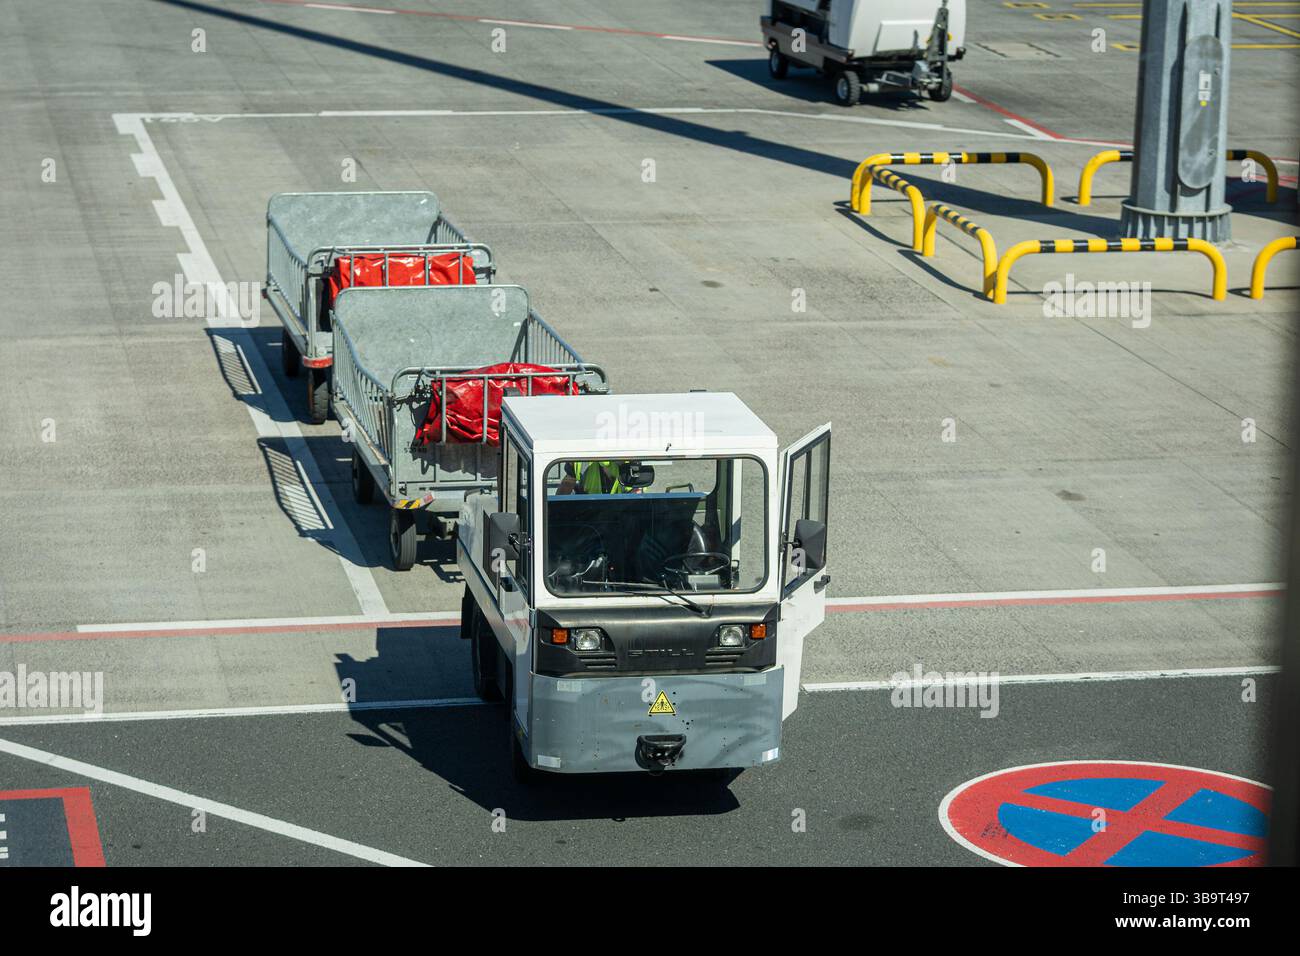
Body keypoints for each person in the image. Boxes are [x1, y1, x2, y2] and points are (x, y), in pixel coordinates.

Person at [557, 460, 637, 495]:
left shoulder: (633, 467)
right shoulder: (579, 461)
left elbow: (638, 496)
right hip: (589, 513)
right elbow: (567, 485)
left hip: (622, 513)